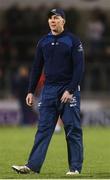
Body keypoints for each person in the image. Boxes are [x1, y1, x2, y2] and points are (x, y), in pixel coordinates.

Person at [12, 8, 84, 175]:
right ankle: (32, 166)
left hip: (68, 89)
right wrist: (30, 91)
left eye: (56, 18)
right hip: (49, 90)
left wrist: (70, 89)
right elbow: (36, 68)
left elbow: (79, 68)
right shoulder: (43, 42)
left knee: (72, 129)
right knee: (43, 129)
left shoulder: (73, 40)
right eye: (50, 18)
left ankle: (75, 168)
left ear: (63, 21)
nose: (52, 20)